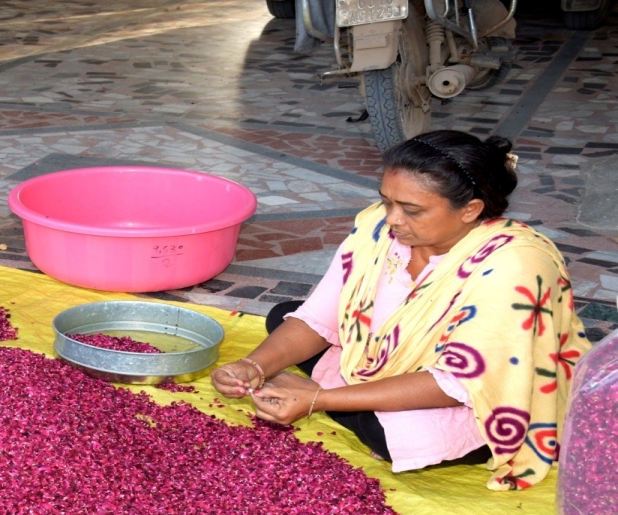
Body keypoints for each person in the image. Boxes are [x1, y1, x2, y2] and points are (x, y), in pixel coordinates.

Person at [212, 130, 590, 491]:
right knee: (285, 316)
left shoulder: (514, 264)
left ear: (470, 210)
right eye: (387, 201)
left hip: (482, 393)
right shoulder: (379, 227)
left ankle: (344, 399)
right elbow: (322, 314)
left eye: (411, 209)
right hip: (393, 359)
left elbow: (458, 382)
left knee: (395, 435)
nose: (391, 218)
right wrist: (254, 366)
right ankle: (356, 399)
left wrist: (318, 400)